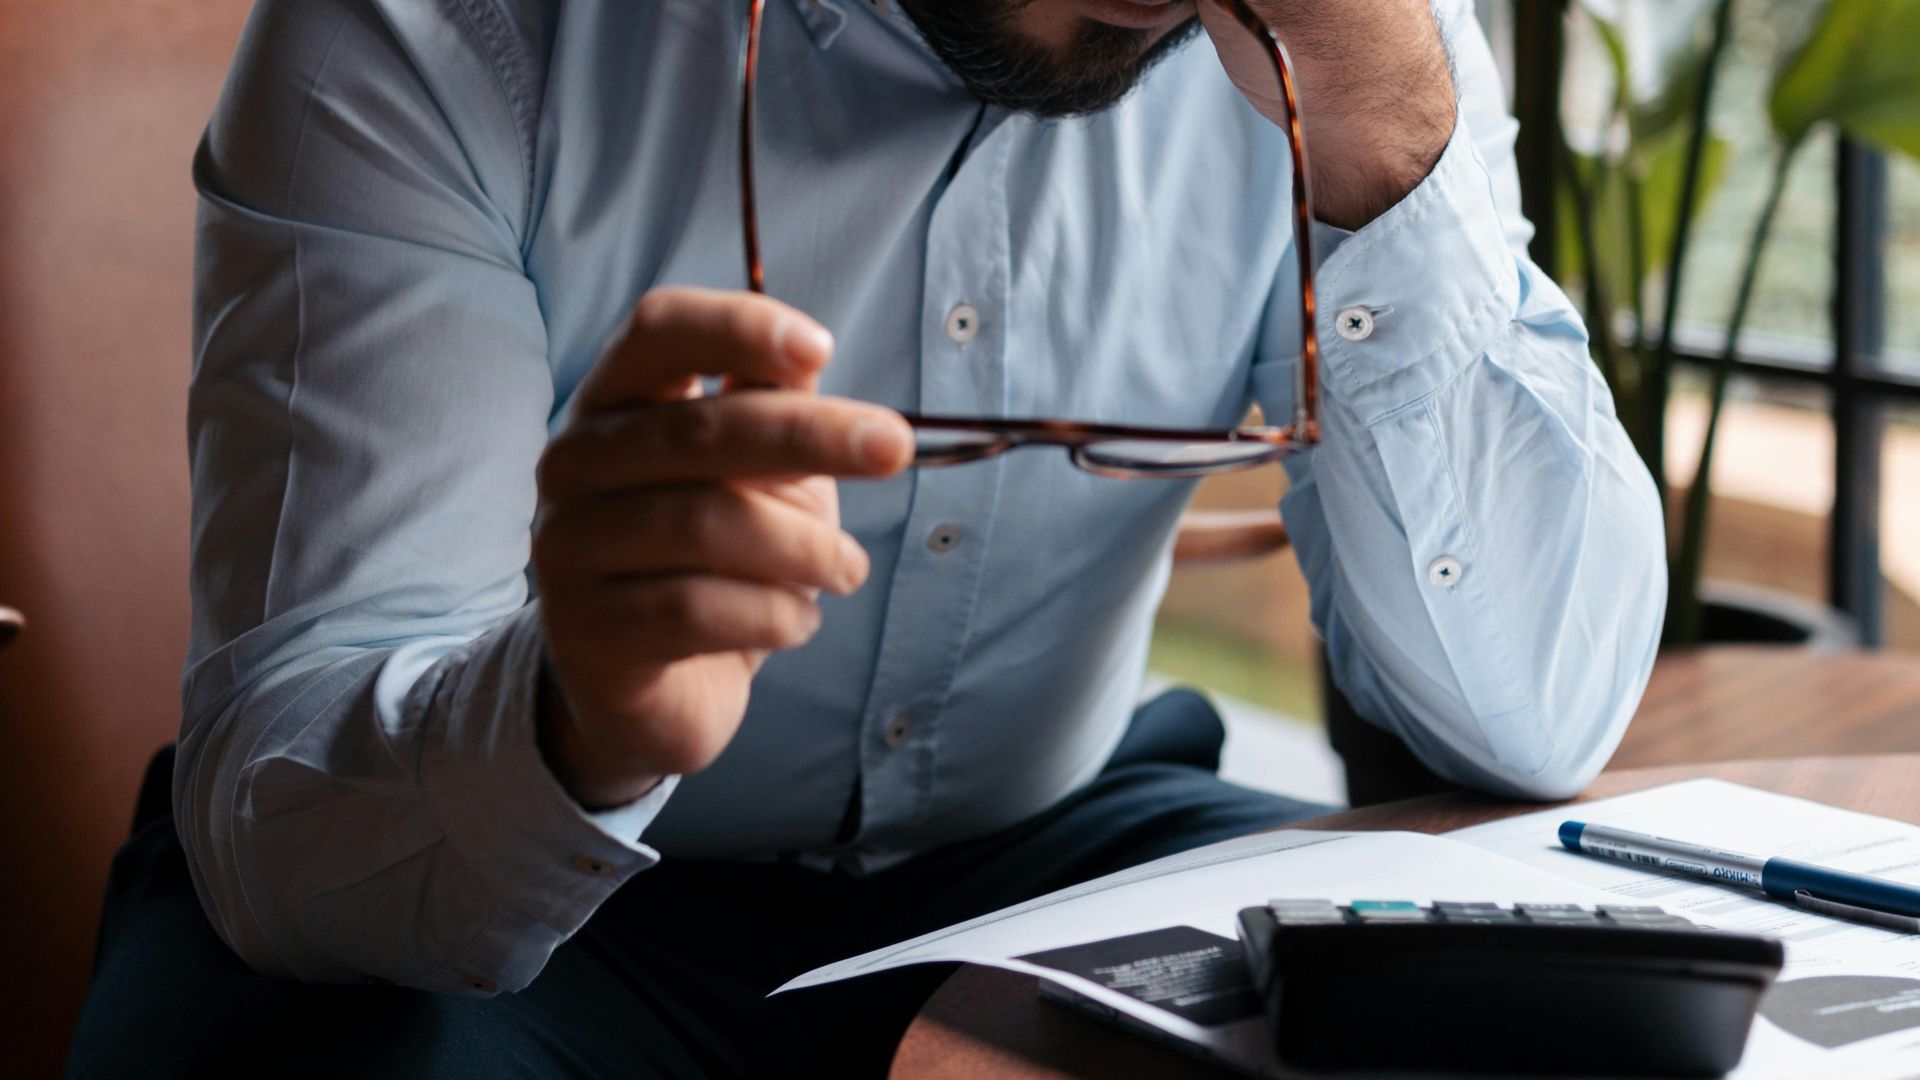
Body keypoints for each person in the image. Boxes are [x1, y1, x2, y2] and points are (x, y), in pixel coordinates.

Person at [69, 0, 1665, 1076]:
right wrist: (573, 719)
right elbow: (290, 825)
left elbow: (1540, 711)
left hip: (1056, 842)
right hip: (479, 860)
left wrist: (1387, 131)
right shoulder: (434, 33)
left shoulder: (1353, 39)